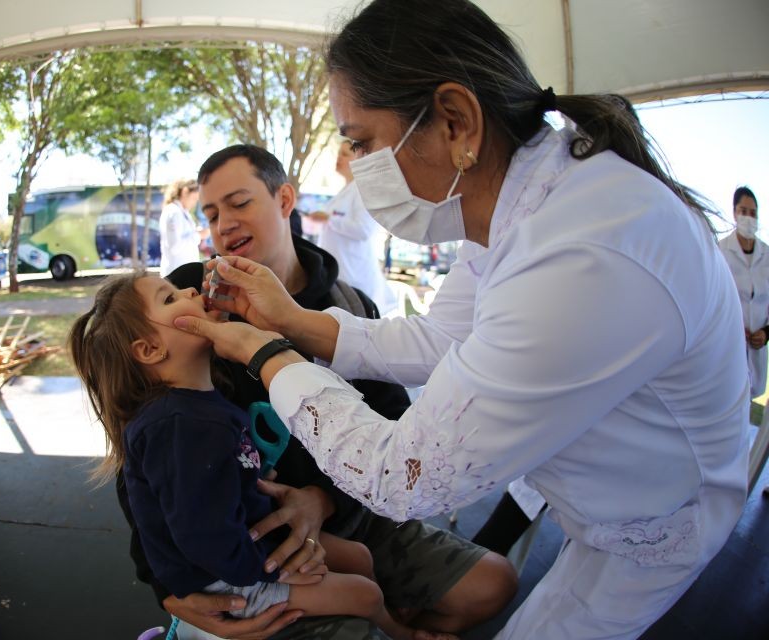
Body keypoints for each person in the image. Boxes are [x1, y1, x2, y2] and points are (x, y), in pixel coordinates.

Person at [171, 2, 750, 639]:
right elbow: (443, 337)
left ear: (455, 121)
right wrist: (295, 322)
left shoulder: (582, 255)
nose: (359, 168)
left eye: (362, 142)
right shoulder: (521, 205)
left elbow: (402, 477)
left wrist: (266, 350)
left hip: (652, 521)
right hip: (607, 501)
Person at [119, 144, 516, 640]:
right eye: (212, 213)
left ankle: (387, 615)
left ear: (285, 199)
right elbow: (136, 455)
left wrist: (322, 499)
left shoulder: (348, 303)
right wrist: (167, 587)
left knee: (492, 583)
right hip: (258, 537)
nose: (223, 226)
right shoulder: (190, 310)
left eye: (240, 203)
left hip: (355, 516)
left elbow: (396, 422)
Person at [71, 272, 456, 640]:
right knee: (363, 592)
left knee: (357, 557)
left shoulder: (199, 406)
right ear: (150, 349)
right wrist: (272, 570)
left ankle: (379, 615)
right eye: (170, 298)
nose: (190, 292)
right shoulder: (178, 425)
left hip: (246, 538)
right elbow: (202, 538)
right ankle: (400, 630)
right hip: (225, 575)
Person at [314, 141, 397, 315]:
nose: (339, 158)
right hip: (338, 273)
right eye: (338, 153)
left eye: (345, 154)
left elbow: (363, 230)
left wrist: (330, 219)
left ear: (359, 160)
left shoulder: (364, 191)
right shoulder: (344, 191)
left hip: (354, 276)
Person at [718, 187, 767, 399]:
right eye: (743, 211)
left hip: (757, 347)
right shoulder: (720, 251)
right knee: (725, 395)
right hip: (728, 341)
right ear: (734, 213)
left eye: (753, 212)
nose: (748, 217)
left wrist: (766, 333)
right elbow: (715, 299)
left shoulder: (767, 256)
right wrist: (734, 326)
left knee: (748, 398)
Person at [160, 178, 203, 276]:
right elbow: (174, 246)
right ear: (185, 192)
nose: (195, 203)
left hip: (183, 272)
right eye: (194, 198)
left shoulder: (182, 212)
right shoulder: (173, 212)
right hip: (176, 273)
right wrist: (198, 235)